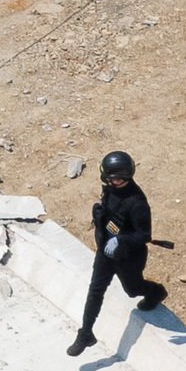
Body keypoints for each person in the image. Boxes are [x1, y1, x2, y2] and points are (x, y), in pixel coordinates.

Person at [66, 149, 167, 356]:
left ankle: (156, 292)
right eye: (112, 179)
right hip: (106, 252)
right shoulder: (110, 189)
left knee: (132, 289)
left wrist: (121, 239)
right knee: (95, 291)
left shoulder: (138, 203)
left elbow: (144, 235)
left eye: (120, 180)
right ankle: (85, 334)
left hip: (128, 257)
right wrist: (99, 216)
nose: (116, 183)